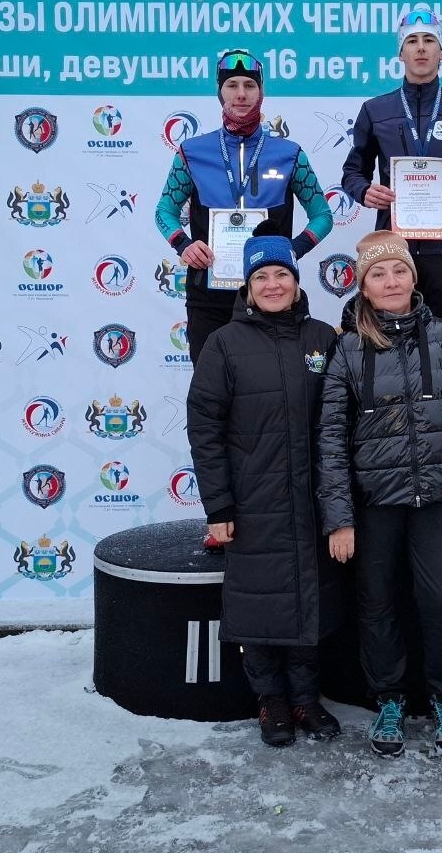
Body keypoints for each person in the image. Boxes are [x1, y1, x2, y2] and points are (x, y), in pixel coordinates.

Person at [317, 229, 442, 757]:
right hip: (375, 503)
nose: (390, 281)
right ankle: (388, 698)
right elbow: (330, 438)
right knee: (378, 602)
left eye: (399, 271)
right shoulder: (348, 347)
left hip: (440, 497)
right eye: (378, 273)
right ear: (363, 286)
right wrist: (339, 518)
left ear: (413, 278)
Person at [185, 227, 341, 748]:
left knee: (308, 599)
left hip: (313, 500)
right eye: (261, 277)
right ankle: (271, 700)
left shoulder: (322, 338)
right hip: (252, 502)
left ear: (296, 281)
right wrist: (218, 506)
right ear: (247, 287)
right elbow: (205, 428)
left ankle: (306, 699)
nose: (273, 284)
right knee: (257, 603)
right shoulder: (223, 344)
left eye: (282, 274)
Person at [155, 48, 334, 363]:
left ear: (261, 92)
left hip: (272, 295)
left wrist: (293, 250)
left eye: (250, 85)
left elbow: (322, 215)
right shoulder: (192, 152)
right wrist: (183, 244)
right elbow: (164, 211)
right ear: (220, 92)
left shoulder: (289, 154)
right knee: (211, 386)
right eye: (232, 85)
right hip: (208, 297)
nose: (241, 94)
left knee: (272, 386)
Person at [341, 4, 442, 326]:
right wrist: (363, 191)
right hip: (392, 250)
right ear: (400, 53)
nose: (420, 48)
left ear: (441, 53)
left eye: (429, 41)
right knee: (389, 336)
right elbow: (352, 172)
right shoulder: (375, 110)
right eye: (412, 41)